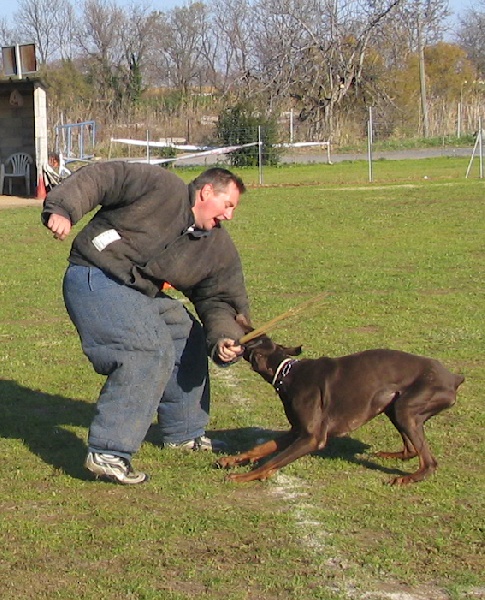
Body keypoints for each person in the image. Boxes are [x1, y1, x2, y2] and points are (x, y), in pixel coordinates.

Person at [41, 162, 249, 485]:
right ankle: (108, 452)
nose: (230, 216)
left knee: (186, 336)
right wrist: (64, 208)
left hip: (138, 290)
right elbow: (104, 177)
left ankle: (183, 432)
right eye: (228, 205)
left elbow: (219, 297)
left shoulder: (214, 245)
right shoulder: (159, 187)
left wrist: (224, 336)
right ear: (207, 192)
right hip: (93, 274)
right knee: (147, 351)